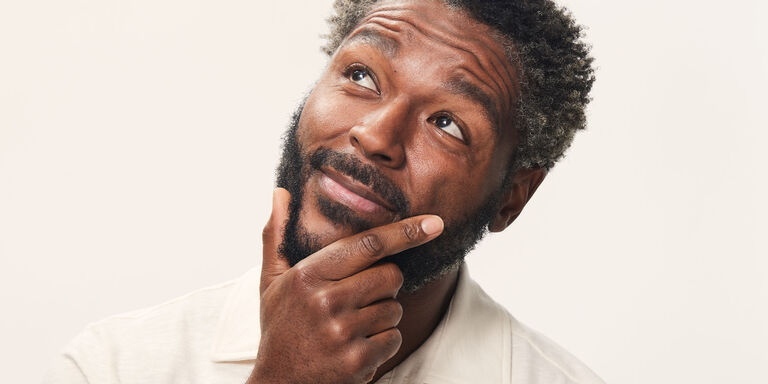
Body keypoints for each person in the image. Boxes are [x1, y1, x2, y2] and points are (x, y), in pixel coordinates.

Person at [44, 0, 600, 382]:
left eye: (447, 123)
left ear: (513, 197)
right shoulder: (112, 366)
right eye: (361, 76)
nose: (376, 134)